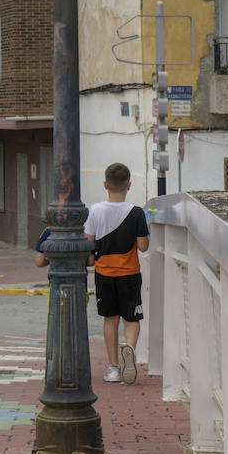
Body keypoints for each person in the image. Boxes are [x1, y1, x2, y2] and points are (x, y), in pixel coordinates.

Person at [84, 162, 150, 384]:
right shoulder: (137, 213)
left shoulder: (94, 211)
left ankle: (113, 368)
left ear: (105, 184)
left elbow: (89, 244)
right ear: (129, 185)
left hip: (104, 273)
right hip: (130, 273)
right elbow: (143, 247)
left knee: (110, 319)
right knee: (131, 318)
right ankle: (129, 349)